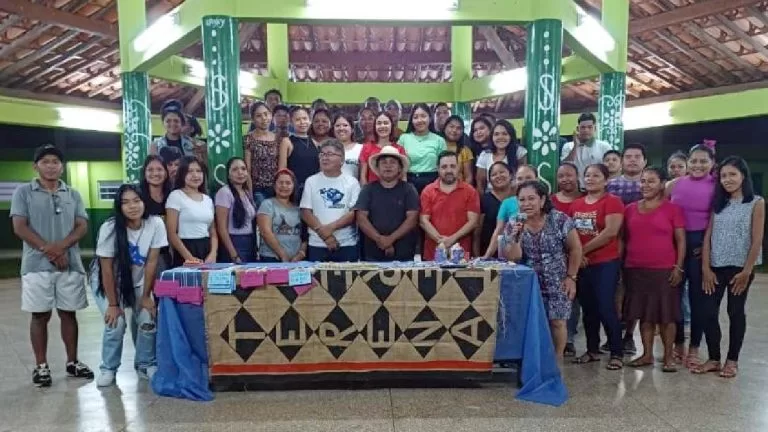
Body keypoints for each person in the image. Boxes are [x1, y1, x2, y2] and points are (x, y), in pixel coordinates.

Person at [10, 144, 94, 386]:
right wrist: (50, 249)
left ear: (62, 167)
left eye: (55, 162)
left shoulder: (72, 194)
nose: (51, 166)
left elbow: (81, 226)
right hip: (36, 265)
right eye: (45, 162)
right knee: (40, 315)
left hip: (69, 264)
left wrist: (61, 248)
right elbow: (20, 227)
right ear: (35, 166)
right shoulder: (23, 192)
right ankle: (41, 366)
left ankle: (72, 362)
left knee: (69, 313)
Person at [695, 156, 764, 378]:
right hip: (715, 267)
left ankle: (732, 360)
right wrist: (706, 268)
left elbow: (757, 239)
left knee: (735, 312)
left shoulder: (756, 202)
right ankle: (714, 358)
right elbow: (708, 237)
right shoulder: (719, 204)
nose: (727, 179)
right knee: (707, 312)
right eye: (723, 176)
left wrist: (747, 271)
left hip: (740, 270)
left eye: (732, 174)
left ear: (743, 176)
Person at [92, 184, 167, 387]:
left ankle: (145, 364)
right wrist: (113, 304)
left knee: (148, 318)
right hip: (109, 282)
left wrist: (146, 297)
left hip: (140, 280)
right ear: (119, 206)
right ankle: (108, 368)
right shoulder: (109, 228)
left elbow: (151, 263)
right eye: (125, 202)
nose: (132, 206)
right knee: (116, 323)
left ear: (144, 202)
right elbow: (106, 269)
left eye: (136, 200)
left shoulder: (156, 224)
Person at [505, 180, 581, 359]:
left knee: (558, 322)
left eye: (531, 198)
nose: (526, 203)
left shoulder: (559, 219)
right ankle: (533, 360)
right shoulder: (514, 221)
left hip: (558, 280)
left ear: (542, 200)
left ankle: (557, 361)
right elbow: (513, 257)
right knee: (532, 322)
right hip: (529, 283)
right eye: (522, 200)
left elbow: (575, 249)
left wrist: (571, 277)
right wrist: (516, 237)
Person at [623, 167, 686, 372]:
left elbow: (681, 240)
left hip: (664, 269)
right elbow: (624, 239)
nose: (645, 185)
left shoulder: (672, 209)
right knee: (645, 314)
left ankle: (668, 357)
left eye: (651, 181)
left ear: (662, 184)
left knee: (667, 315)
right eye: (643, 181)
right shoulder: (629, 209)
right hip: (635, 269)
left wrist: (678, 267)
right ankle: (647, 354)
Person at [570, 164, 624, 370]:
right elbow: (571, 233)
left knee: (605, 306)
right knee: (588, 308)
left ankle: (616, 352)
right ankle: (592, 350)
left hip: (605, 262)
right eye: (587, 175)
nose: (590, 179)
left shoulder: (612, 202)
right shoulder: (576, 204)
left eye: (596, 175)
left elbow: (610, 232)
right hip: (582, 264)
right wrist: (577, 254)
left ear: (606, 180)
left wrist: (581, 251)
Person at [666, 143, 716, 367]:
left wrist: (707, 245)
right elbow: (661, 210)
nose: (698, 165)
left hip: (700, 246)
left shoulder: (717, 186)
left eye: (703, 161)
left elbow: (718, 219)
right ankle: (678, 344)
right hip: (675, 245)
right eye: (694, 161)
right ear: (687, 162)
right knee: (674, 297)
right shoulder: (674, 184)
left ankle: (695, 346)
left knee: (699, 300)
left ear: (712, 163)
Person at [606, 143, 647, 355]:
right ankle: (613, 334)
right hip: (612, 244)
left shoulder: (650, 185)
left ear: (644, 161)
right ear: (622, 161)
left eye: (637, 157)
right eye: (628, 156)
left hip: (642, 246)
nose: (632, 160)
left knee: (635, 291)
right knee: (614, 290)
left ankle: (629, 335)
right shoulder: (611, 185)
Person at [355, 146, 419, 261]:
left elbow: (412, 219)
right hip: (372, 252)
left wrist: (391, 239)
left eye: (393, 162)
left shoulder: (409, 189)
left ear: (400, 168)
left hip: (404, 252)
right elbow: (361, 218)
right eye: (384, 163)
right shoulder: (368, 189)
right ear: (377, 168)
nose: (388, 166)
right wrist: (379, 239)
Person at [300, 139, 361, 262]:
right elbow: (305, 212)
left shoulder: (352, 182)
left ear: (342, 159)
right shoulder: (311, 181)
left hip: (346, 243)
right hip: (317, 244)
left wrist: (330, 228)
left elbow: (354, 213)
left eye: (330, 154)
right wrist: (326, 236)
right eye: (322, 154)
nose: (325, 158)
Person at [420, 151, 480, 261]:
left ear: (458, 168)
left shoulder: (470, 191)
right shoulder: (428, 191)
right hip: (432, 254)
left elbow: (473, 222)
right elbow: (423, 221)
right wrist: (442, 242)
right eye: (444, 167)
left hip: (462, 256)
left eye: (452, 166)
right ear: (438, 169)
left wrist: (451, 239)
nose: (448, 170)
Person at [551, 162, 584, 356]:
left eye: (569, 175)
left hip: (584, 256)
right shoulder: (550, 201)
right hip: (557, 261)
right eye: (561, 176)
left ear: (577, 176)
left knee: (577, 300)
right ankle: (564, 342)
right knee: (565, 299)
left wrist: (580, 253)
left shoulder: (586, 198)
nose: (565, 179)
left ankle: (571, 338)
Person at [165, 156, 217, 266]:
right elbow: (171, 233)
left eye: (199, 171)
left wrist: (213, 254)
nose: (195, 175)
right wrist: (189, 258)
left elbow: (213, 232)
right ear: (182, 174)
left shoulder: (207, 199)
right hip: (185, 249)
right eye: (190, 171)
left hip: (206, 249)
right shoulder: (175, 196)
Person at [481, 165, 538, 259]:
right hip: (514, 254)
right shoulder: (507, 203)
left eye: (528, 178)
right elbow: (498, 231)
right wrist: (486, 256)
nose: (524, 182)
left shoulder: (544, 202)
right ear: (515, 181)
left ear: (537, 180)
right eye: (520, 179)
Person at [257, 169, 307, 263]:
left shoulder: (298, 208)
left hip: (295, 261)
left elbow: (304, 235)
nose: (284, 186)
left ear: (293, 186)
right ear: (274, 186)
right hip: (272, 259)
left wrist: (300, 255)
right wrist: (283, 255)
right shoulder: (267, 204)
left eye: (288, 183)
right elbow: (265, 232)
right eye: (280, 182)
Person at [245, 101, 287, 209]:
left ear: (271, 115)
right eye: (259, 116)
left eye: (266, 114)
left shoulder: (278, 138)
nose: (264, 118)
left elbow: (282, 166)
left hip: (276, 189)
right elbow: (247, 170)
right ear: (253, 119)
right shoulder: (248, 139)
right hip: (258, 190)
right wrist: (250, 194)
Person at [215, 157, 257, 263]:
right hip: (233, 242)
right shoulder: (224, 192)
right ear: (228, 174)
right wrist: (234, 254)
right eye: (235, 169)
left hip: (249, 241)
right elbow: (222, 228)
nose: (240, 172)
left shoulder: (246, 192)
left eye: (243, 169)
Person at [398, 103, 447, 194]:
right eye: (415, 117)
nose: (419, 120)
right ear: (411, 120)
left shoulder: (439, 140)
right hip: (408, 182)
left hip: (433, 183)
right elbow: (399, 164)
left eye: (423, 116)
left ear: (430, 118)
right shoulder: (403, 138)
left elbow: (444, 166)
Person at [561, 113, 612, 188]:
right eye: (583, 127)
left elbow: (610, 169)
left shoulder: (604, 146)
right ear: (577, 129)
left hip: (598, 188)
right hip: (575, 189)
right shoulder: (568, 146)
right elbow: (565, 167)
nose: (586, 130)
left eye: (590, 127)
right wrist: (575, 146)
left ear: (595, 129)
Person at [473, 162, 514, 258]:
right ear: (489, 181)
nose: (498, 176)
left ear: (511, 175)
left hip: (514, 254)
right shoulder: (484, 200)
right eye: (494, 174)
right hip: (488, 254)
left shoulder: (519, 199)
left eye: (502, 172)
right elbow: (477, 233)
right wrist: (476, 256)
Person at [476, 120, 527, 193]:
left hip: (514, 195)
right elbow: (480, 182)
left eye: (504, 134)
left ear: (511, 136)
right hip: (491, 195)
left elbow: (523, 178)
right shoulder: (485, 155)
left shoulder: (519, 152)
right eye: (496, 134)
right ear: (492, 137)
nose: (500, 137)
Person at [279, 106, 319, 199]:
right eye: (298, 119)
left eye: (305, 118)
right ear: (291, 122)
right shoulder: (286, 142)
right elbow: (282, 170)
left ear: (310, 120)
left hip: (313, 189)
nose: (302, 122)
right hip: (294, 190)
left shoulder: (315, 143)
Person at [359, 112, 407, 185]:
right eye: (379, 123)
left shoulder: (399, 149)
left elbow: (403, 177)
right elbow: (363, 177)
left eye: (386, 123)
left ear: (391, 126)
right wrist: (365, 191)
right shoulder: (367, 147)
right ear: (375, 126)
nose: (382, 126)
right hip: (372, 190)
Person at [442, 115, 474, 184]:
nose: (454, 130)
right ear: (445, 128)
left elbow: (468, 177)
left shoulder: (465, 151)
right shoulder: (436, 146)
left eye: (459, 128)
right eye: (451, 126)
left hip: (459, 187)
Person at [331, 113, 363, 179]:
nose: (341, 128)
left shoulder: (361, 148)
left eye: (345, 125)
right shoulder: (327, 150)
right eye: (337, 125)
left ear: (352, 129)